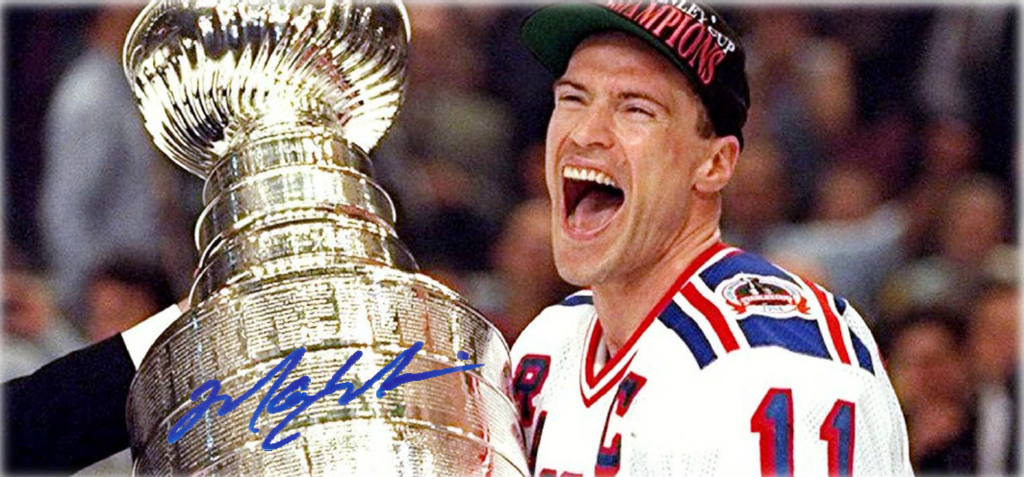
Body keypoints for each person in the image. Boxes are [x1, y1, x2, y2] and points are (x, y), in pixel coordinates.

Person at [509, 2, 912, 475]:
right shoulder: (547, 348)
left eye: (636, 109)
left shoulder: (775, 361)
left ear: (715, 164)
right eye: (573, 99)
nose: (584, 133)